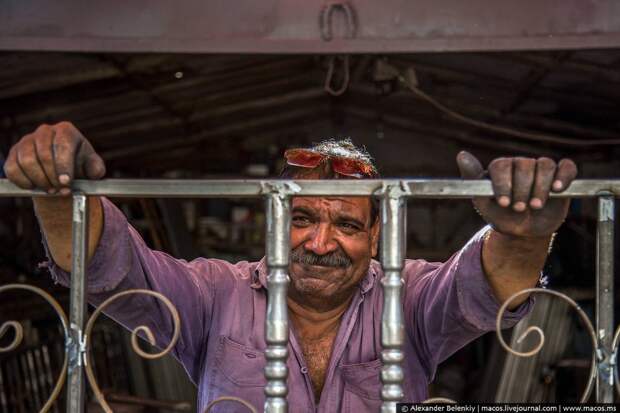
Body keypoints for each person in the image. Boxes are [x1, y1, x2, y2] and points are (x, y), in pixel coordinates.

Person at [4, 122, 577, 412]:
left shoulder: (409, 297)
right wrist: (61, 197)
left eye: (347, 225)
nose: (320, 243)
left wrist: (523, 232)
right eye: (303, 218)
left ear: (376, 235)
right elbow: (119, 273)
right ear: (276, 223)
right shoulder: (213, 293)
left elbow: (482, 286)